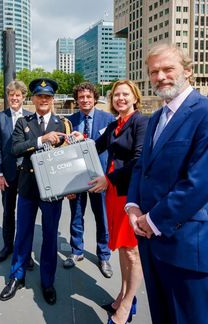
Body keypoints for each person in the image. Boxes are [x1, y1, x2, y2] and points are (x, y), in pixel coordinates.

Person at [126, 44, 208, 324]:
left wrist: (151, 221)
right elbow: (142, 167)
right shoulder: (155, 119)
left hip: (187, 245)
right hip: (151, 243)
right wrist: (133, 205)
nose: (160, 76)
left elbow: (199, 184)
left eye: (167, 69)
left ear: (188, 71)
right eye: (154, 72)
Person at [0, 78, 70, 305]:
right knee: (23, 234)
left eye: (47, 97)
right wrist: (41, 140)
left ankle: (47, 281)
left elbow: (68, 156)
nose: (43, 100)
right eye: (39, 96)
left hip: (53, 190)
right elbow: (15, 148)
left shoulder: (62, 124)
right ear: (33, 99)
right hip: (28, 186)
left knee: (50, 237)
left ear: (52, 100)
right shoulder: (23, 122)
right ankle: (16, 276)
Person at [84, 80, 148, 324]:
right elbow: (92, 146)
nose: (120, 98)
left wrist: (108, 179)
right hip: (113, 194)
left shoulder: (141, 122)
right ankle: (122, 295)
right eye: (116, 95)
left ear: (134, 97)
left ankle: (127, 305)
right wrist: (75, 140)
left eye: (125, 94)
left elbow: (138, 160)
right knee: (122, 247)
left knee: (132, 251)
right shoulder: (113, 126)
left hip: (129, 194)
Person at [64, 82, 115, 278]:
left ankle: (104, 255)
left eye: (88, 97)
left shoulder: (108, 119)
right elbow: (64, 154)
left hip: (99, 177)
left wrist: (109, 177)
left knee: (102, 217)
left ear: (95, 98)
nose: (85, 100)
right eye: (81, 97)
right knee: (76, 216)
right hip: (77, 178)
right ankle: (77, 251)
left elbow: (112, 151)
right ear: (77, 100)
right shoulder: (69, 122)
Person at [0, 80, 34, 267]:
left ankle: (25, 251)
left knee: (27, 214)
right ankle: (8, 246)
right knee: (8, 211)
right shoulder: (0, 118)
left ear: (24, 97)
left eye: (18, 95)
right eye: (11, 95)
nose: (14, 98)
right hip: (7, 174)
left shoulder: (31, 118)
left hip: (27, 174)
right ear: (8, 97)